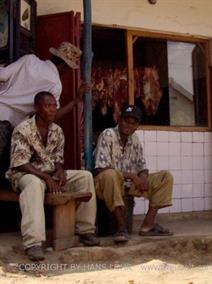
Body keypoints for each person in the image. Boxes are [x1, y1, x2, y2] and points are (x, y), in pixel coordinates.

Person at [6, 91, 99, 261]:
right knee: (34, 184)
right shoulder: (23, 129)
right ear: (37, 108)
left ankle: (85, 231)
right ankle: (33, 243)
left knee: (85, 177)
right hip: (24, 174)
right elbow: (20, 162)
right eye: (47, 106)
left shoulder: (57, 131)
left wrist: (59, 171)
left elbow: (57, 159)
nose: (52, 110)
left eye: (54, 106)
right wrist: (46, 177)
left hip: (48, 173)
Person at [94, 105, 173, 243]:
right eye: (126, 120)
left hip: (129, 185)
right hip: (106, 184)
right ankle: (121, 228)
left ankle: (148, 225)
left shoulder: (134, 139)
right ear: (119, 120)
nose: (128, 125)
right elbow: (101, 169)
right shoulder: (108, 134)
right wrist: (133, 176)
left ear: (137, 126)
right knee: (111, 175)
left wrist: (142, 178)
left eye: (133, 123)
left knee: (165, 177)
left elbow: (142, 166)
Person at [0, 41, 89, 127]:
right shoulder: (55, 84)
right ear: (66, 67)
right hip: (11, 123)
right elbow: (51, 115)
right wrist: (77, 100)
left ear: (54, 55)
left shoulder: (29, 59)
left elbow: (2, 75)